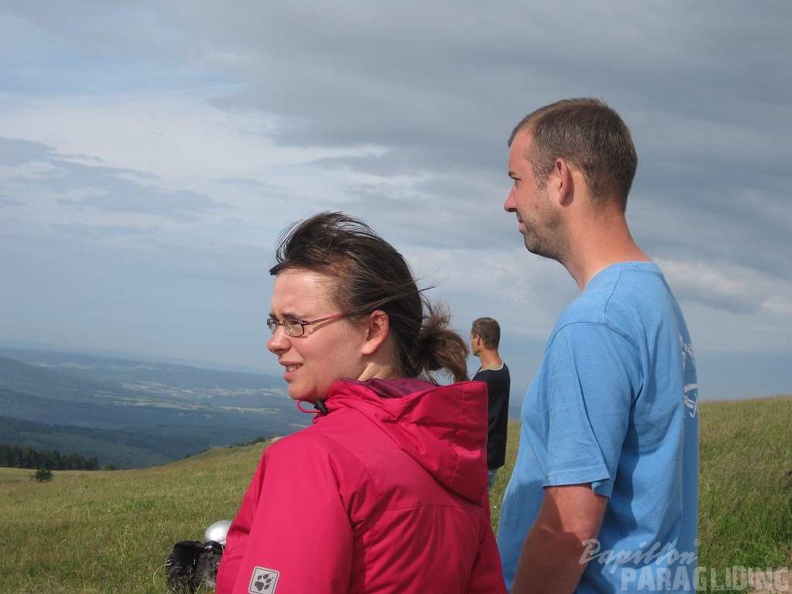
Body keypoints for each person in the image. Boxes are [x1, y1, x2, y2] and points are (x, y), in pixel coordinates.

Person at [216, 212, 506, 594]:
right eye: (275, 323)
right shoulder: (451, 456)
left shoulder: (314, 460)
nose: (276, 341)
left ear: (373, 330)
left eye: (296, 323)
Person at [496, 99, 699, 593]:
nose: (509, 201)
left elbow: (570, 528)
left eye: (517, 179)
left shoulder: (595, 323)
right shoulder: (652, 298)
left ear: (560, 178)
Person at [470, 317, 511, 489]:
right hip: (492, 457)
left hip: (483, 460)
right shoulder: (501, 369)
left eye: (472, 337)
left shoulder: (486, 379)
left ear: (479, 339)